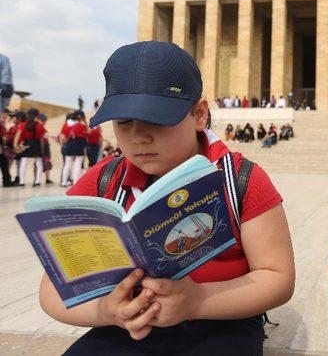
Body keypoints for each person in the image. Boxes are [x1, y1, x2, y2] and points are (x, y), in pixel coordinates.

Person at [39, 41, 294, 355]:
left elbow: (277, 276)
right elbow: (52, 289)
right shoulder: (104, 182)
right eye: (123, 122)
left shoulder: (240, 180)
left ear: (199, 114)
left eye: (156, 120)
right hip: (128, 324)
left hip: (221, 318)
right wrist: (108, 311)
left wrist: (197, 300)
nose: (138, 137)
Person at [14, 107, 45, 187]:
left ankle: (21, 182)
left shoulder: (23, 124)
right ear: (37, 115)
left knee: (24, 162)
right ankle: (37, 182)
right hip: (36, 144)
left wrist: (15, 145)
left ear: (28, 115)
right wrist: (42, 149)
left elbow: (18, 135)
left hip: (26, 143)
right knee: (39, 163)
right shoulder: (40, 125)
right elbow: (41, 139)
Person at [60, 110, 87, 186]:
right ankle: (75, 183)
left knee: (67, 163)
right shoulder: (82, 124)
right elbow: (88, 132)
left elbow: (62, 136)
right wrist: (85, 122)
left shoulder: (67, 124)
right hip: (79, 144)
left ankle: (64, 182)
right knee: (78, 164)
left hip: (70, 144)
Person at [37, 113, 54, 184]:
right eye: (44, 120)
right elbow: (44, 136)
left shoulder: (38, 126)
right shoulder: (40, 127)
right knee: (46, 162)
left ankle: (38, 179)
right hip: (44, 147)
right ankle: (45, 179)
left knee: (40, 163)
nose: (44, 122)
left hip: (41, 146)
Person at [0, 108, 13, 186]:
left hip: (2, 144)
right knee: (4, 164)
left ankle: (7, 181)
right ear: (3, 113)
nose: (8, 116)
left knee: (4, 164)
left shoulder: (3, 122)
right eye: (7, 114)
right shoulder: (0, 122)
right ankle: (6, 182)